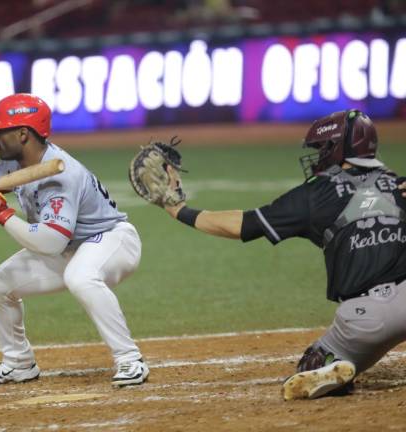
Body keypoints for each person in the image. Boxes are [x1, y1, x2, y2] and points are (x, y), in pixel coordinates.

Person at [0, 93, 149, 387]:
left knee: (81, 277)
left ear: (23, 134)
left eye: (1, 131)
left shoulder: (60, 176)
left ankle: (129, 359)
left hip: (111, 241)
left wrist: (3, 215)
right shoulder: (13, 164)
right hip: (70, 246)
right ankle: (18, 363)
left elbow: (50, 243)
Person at [158, 109, 406, 400]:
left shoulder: (315, 194)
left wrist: (177, 209)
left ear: (337, 148)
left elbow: (242, 225)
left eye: (323, 148)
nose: (319, 155)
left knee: (312, 364)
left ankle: (330, 365)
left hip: (364, 319)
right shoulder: (400, 185)